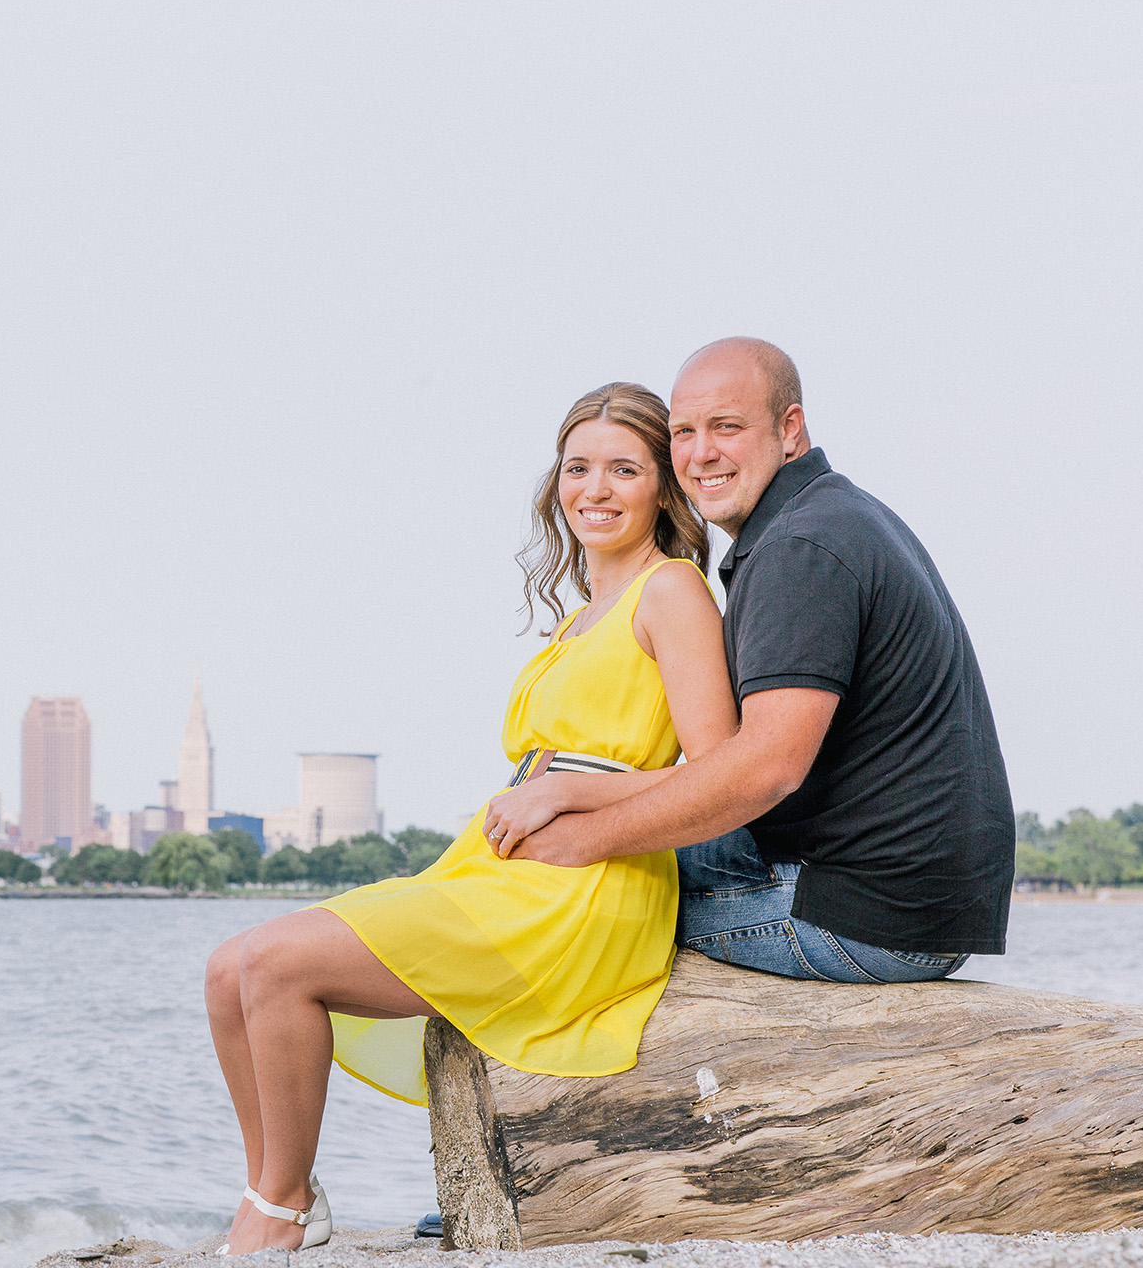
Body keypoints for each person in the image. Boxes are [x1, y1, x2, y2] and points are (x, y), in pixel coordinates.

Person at [203, 382, 740, 1255]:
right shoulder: (577, 618)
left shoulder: (671, 592)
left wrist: (566, 793)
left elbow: (718, 776)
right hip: (504, 862)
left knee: (274, 966)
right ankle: (273, 1194)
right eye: (578, 468)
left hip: (588, 882)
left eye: (624, 470)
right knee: (229, 969)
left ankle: (284, 1208)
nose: (594, 490)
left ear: (664, 490)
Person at [492, 338, 1015, 981]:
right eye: (684, 431)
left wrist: (584, 839)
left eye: (727, 427)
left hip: (872, 921)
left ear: (789, 429)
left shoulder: (801, 546)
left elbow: (767, 769)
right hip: (885, 891)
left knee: (576, 893)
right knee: (566, 838)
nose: (701, 452)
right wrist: (576, 795)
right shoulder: (825, 515)